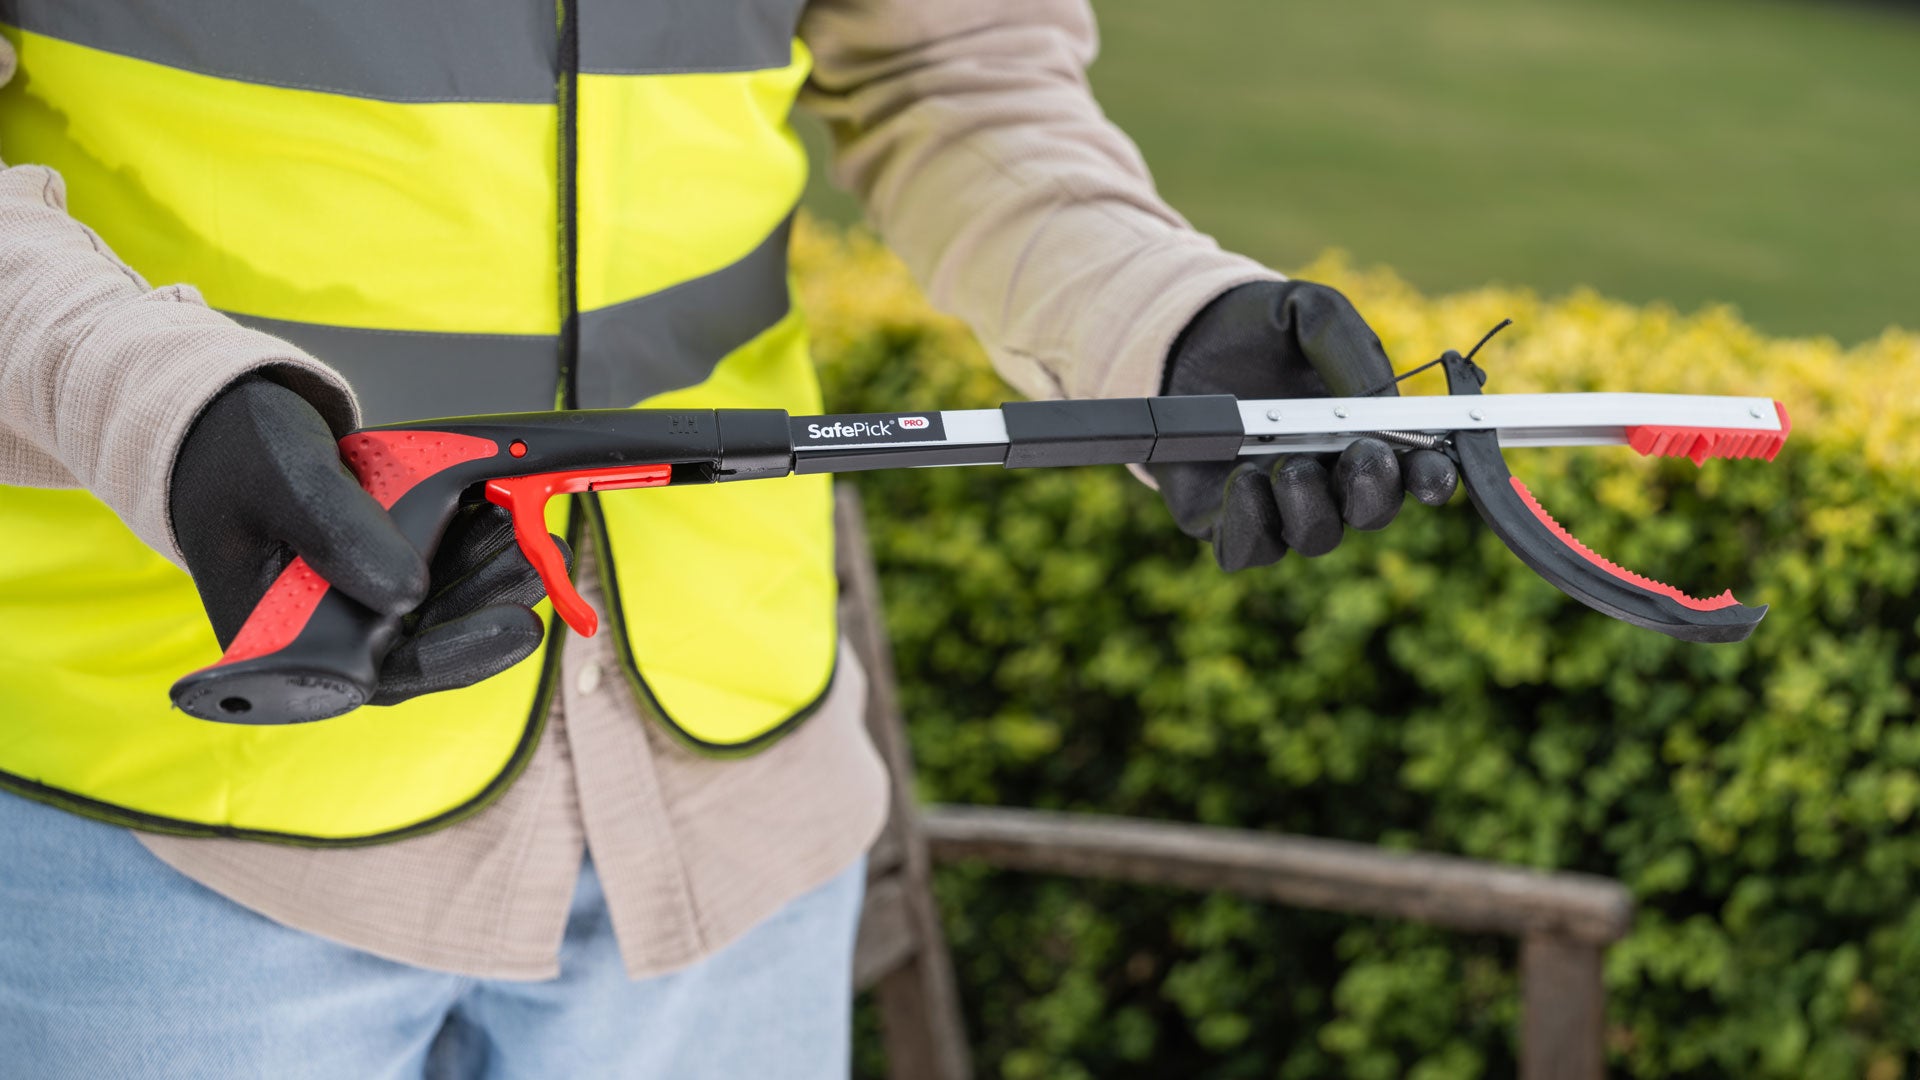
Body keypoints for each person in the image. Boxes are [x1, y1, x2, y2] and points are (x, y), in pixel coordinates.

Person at [0, 2, 1455, 1076]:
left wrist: (1150, 314)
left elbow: (949, 64)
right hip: (149, 837)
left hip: (732, 808)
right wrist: (163, 414)